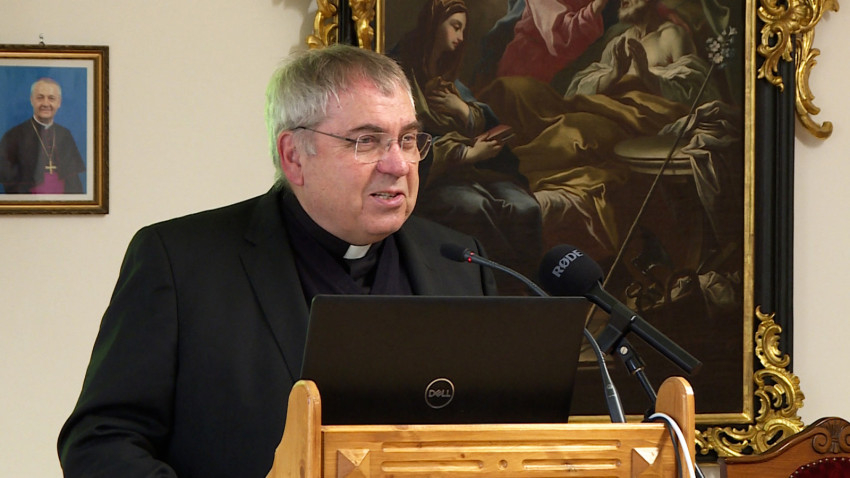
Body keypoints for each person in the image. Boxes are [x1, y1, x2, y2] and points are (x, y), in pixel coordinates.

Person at [57, 44, 497, 477]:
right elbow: (101, 441)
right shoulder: (180, 263)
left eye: (408, 139)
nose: (399, 164)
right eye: (367, 141)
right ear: (294, 156)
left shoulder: (463, 265)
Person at [391, 0, 544, 291]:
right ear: (434, 24)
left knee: (525, 206)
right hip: (433, 178)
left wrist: (461, 110)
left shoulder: (445, 74)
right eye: (455, 27)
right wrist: (464, 153)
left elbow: (476, 113)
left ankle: (530, 288)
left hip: (469, 173)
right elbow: (405, 141)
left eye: (464, 30)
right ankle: (499, 289)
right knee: (476, 208)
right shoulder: (401, 76)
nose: (461, 37)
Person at [0, 77, 85, 193]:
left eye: (51, 98)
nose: (45, 103)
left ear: (59, 102)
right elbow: (8, 181)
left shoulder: (65, 134)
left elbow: (74, 182)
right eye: (40, 97)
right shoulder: (13, 135)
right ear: (32, 100)